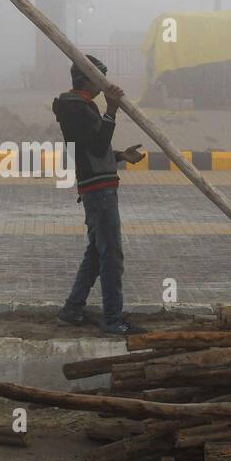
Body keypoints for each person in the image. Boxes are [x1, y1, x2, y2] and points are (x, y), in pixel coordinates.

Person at [52, 56, 146, 336]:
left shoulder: (77, 107)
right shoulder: (75, 108)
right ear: (87, 78)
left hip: (98, 186)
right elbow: (95, 144)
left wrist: (119, 156)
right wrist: (112, 110)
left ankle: (72, 310)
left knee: (96, 252)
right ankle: (113, 319)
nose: (104, 83)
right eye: (100, 77)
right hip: (98, 190)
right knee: (111, 255)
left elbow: (90, 149)